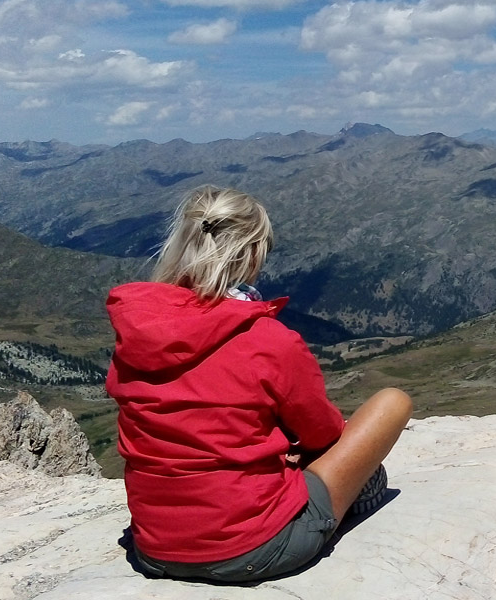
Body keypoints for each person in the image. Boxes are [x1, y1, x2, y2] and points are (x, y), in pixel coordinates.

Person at [105, 185, 412, 583]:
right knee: (393, 401)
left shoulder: (137, 333)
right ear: (252, 254)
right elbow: (322, 433)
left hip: (153, 549)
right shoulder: (269, 340)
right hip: (255, 548)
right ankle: (350, 498)